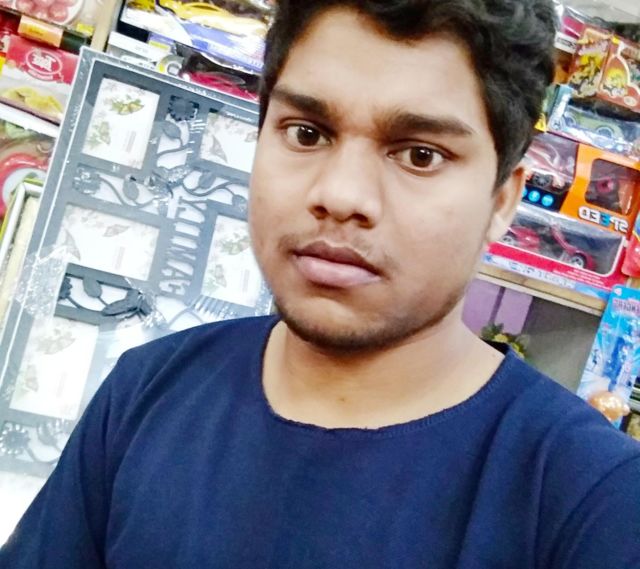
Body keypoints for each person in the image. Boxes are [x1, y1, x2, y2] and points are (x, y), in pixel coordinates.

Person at [2, 1, 640, 567]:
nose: (340, 194)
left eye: (419, 154)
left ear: (502, 201)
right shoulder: (146, 393)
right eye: (306, 133)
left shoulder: (593, 503)